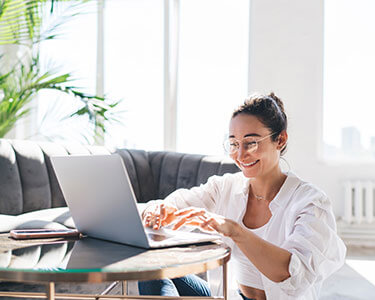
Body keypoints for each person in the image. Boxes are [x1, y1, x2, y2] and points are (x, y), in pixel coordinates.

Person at [140, 92, 346, 300]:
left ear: (280, 140)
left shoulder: (310, 202)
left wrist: (236, 231)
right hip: (232, 296)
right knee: (150, 269)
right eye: (234, 144)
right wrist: (157, 209)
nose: (240, 155)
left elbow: (291, 273)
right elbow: (177, 204)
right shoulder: (225, 187)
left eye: (251, 143)